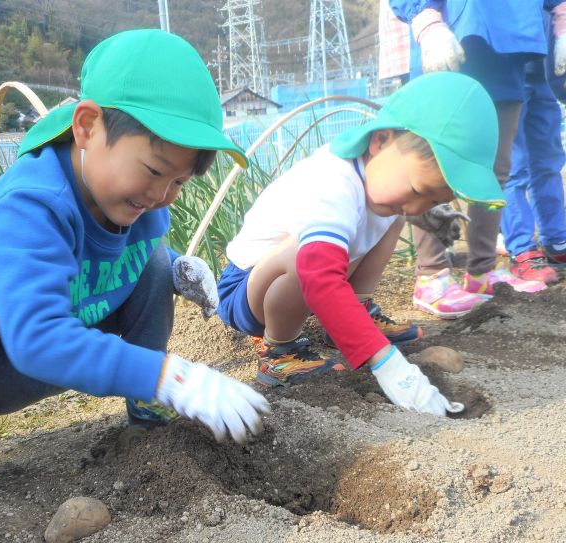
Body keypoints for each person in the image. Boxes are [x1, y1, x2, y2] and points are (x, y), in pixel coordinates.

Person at [0, 30, 270, 514]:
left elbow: (120, 257)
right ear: (87, 127)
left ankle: (145, 403)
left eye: (179, 181)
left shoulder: (137, 203)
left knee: (152, 259)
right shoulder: (28, 207)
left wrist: (175, 269)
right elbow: (37, 339)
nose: (162, 194)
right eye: (153, 170)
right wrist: (171, 376)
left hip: (84, 334)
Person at [217, 71, 502, 416]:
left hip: (294, 285)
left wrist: (419, 211)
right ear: (380, 141)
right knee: (304, 254)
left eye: (431, 201)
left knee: (392, 213)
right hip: (246, 293)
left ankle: (356, 310)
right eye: (416, 190)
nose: (416, 207)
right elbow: (319, 276)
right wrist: (385, 361)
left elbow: (396, 209)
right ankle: (280, 352)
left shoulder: (380, 182)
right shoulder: (332, 182)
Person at [390, 0, 566, 318]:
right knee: (433, 160)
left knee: (496, 168)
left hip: (513, 40)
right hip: (449, 30)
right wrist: (424, 16)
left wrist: (561, 15)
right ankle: (432, 274)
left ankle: (481, 274)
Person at [501, 58, 566, 283]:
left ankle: (557, 240)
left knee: (549, 160)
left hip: (546, 69)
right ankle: (522, 249)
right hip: (506, 66)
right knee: (512, 164)